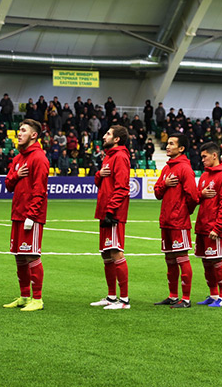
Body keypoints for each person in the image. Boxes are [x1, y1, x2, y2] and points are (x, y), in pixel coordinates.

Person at [3, 119, 50, 312]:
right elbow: (8, 184)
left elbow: (40, 190)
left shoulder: (39, 158)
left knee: (31, 255)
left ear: (34, 135)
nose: (18, 133)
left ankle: (37, 299)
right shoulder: (18, 159)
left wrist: (32, 215)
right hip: (17, 214)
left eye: (23, 130)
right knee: (19, 256)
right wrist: (17, 175)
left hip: (31, 216)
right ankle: (24, 296)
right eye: (18, 130)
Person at [153, 133, 199, 309]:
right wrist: (165, 184)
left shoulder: (185, 169)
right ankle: (173, 296)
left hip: (179, 221)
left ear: (181, 148)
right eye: (168, 143)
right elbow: (157, 192)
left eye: (172, 144)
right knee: (169, 259)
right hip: (166, 220)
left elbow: (193, 196)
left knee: (181, 258)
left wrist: (184, 212)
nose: (168, 146)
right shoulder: (167, 169)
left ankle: (186, 299)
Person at [90, 125, 132, 310]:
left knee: (115, 252)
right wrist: (99, 174)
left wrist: (111, 210)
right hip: (104, 211)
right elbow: (99, 183)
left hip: (113, 213)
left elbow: (122, 187)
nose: (104, 136)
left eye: (108, 134)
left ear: (117, 139)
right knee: (106, 253)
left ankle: (124, 300)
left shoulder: (120, 156)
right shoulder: (108, 157)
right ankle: (111, 296)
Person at [193, 142, 222, 308]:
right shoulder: (204, 176)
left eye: (205, 156)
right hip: (202, 226)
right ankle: (213, 294)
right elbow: (196, 198)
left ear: (214, 155)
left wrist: (218, 227)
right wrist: (200, 194)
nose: (202, 160)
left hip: (213, 228)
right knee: (206, 261)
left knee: (216, 261)